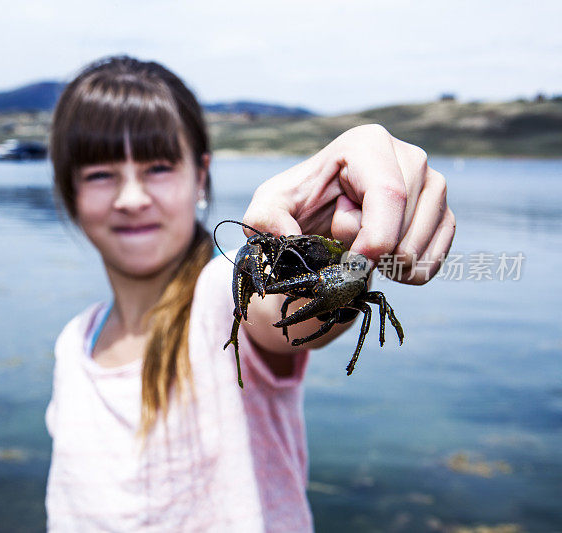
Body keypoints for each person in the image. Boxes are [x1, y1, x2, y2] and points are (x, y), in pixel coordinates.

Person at [45, 55, 455, 532]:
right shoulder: (73, 342)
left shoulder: (224, 294)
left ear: (200, 175)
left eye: (157, 167)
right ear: (68, 190)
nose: (132, 198)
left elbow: (278, 314)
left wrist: (355, 223)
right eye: (100, 174)